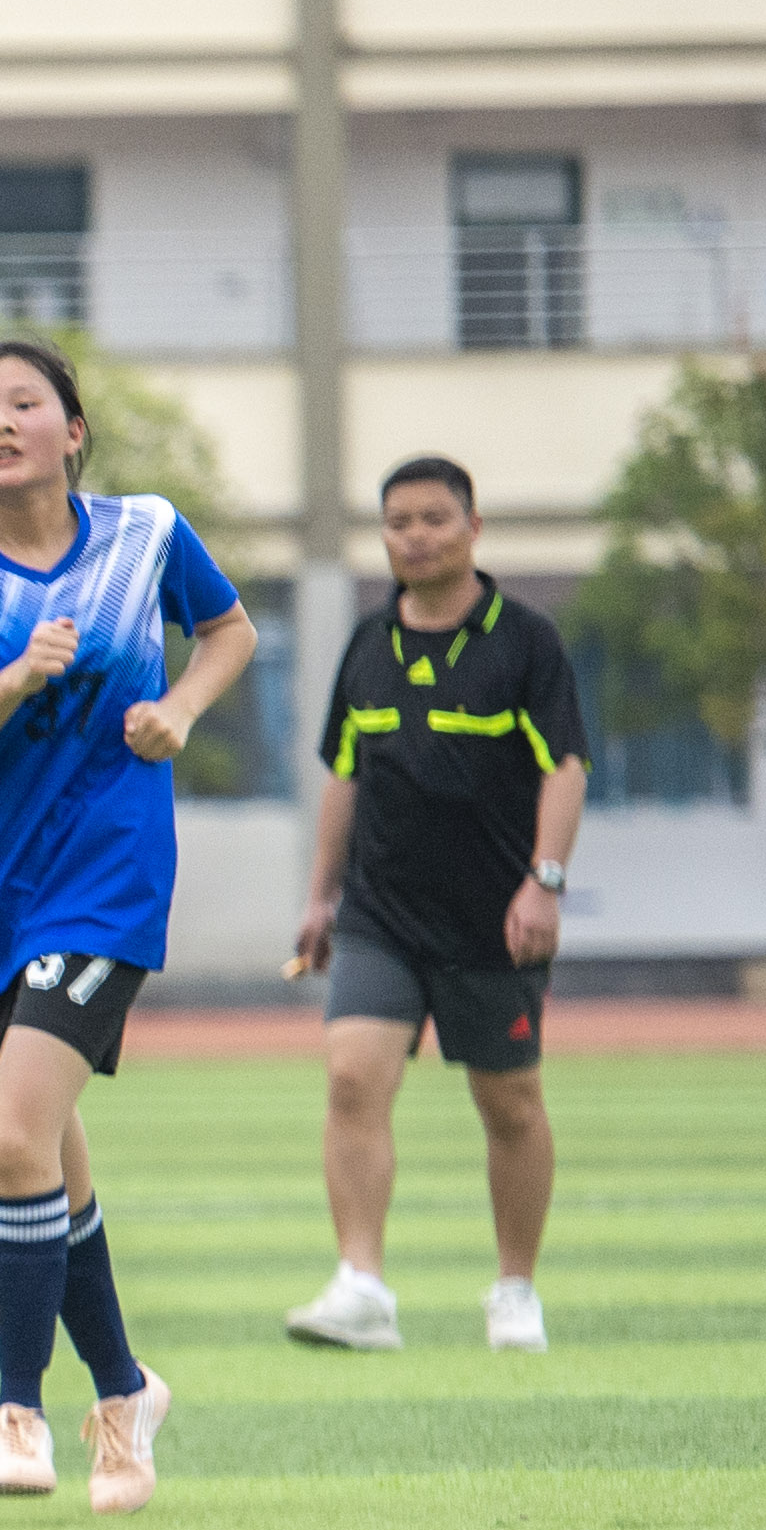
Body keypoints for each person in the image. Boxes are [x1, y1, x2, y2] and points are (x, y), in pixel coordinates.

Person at [0, 337, 257, 1515]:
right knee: (45, 1158)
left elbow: (231, 631)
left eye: (24, 402)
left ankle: (18, 1409)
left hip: (107, 879)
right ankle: (126, 1392)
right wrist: (15, 680)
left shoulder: (147, 534)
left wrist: (182, 709)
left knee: (12, 1144)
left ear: (74, 429)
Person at [285, 453, 589, 1353]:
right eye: (397, 523)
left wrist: (545, 881)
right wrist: (320, 897)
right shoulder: (367, 645)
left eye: (433, 519)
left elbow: (565, 767)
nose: (414, 537)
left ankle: (515, 1290)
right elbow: (344, 775)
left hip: (494, 922)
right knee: (351, 1078)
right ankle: (362, 1287)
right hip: (379, 916)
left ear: (473, 528)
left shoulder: (525, 641)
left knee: (511, 1105)